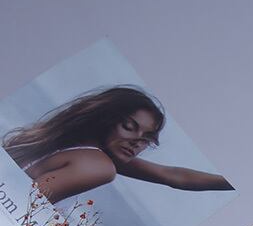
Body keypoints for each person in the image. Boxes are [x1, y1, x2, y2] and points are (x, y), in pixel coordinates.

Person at [2, 86, 234, 204]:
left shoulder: (70, 144)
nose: (137, 142)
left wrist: (236, 179)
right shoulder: (97, 164)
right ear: (107, 119)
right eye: (129, 127)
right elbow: (22, 205)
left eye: (147, 138)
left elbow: (172, 175)